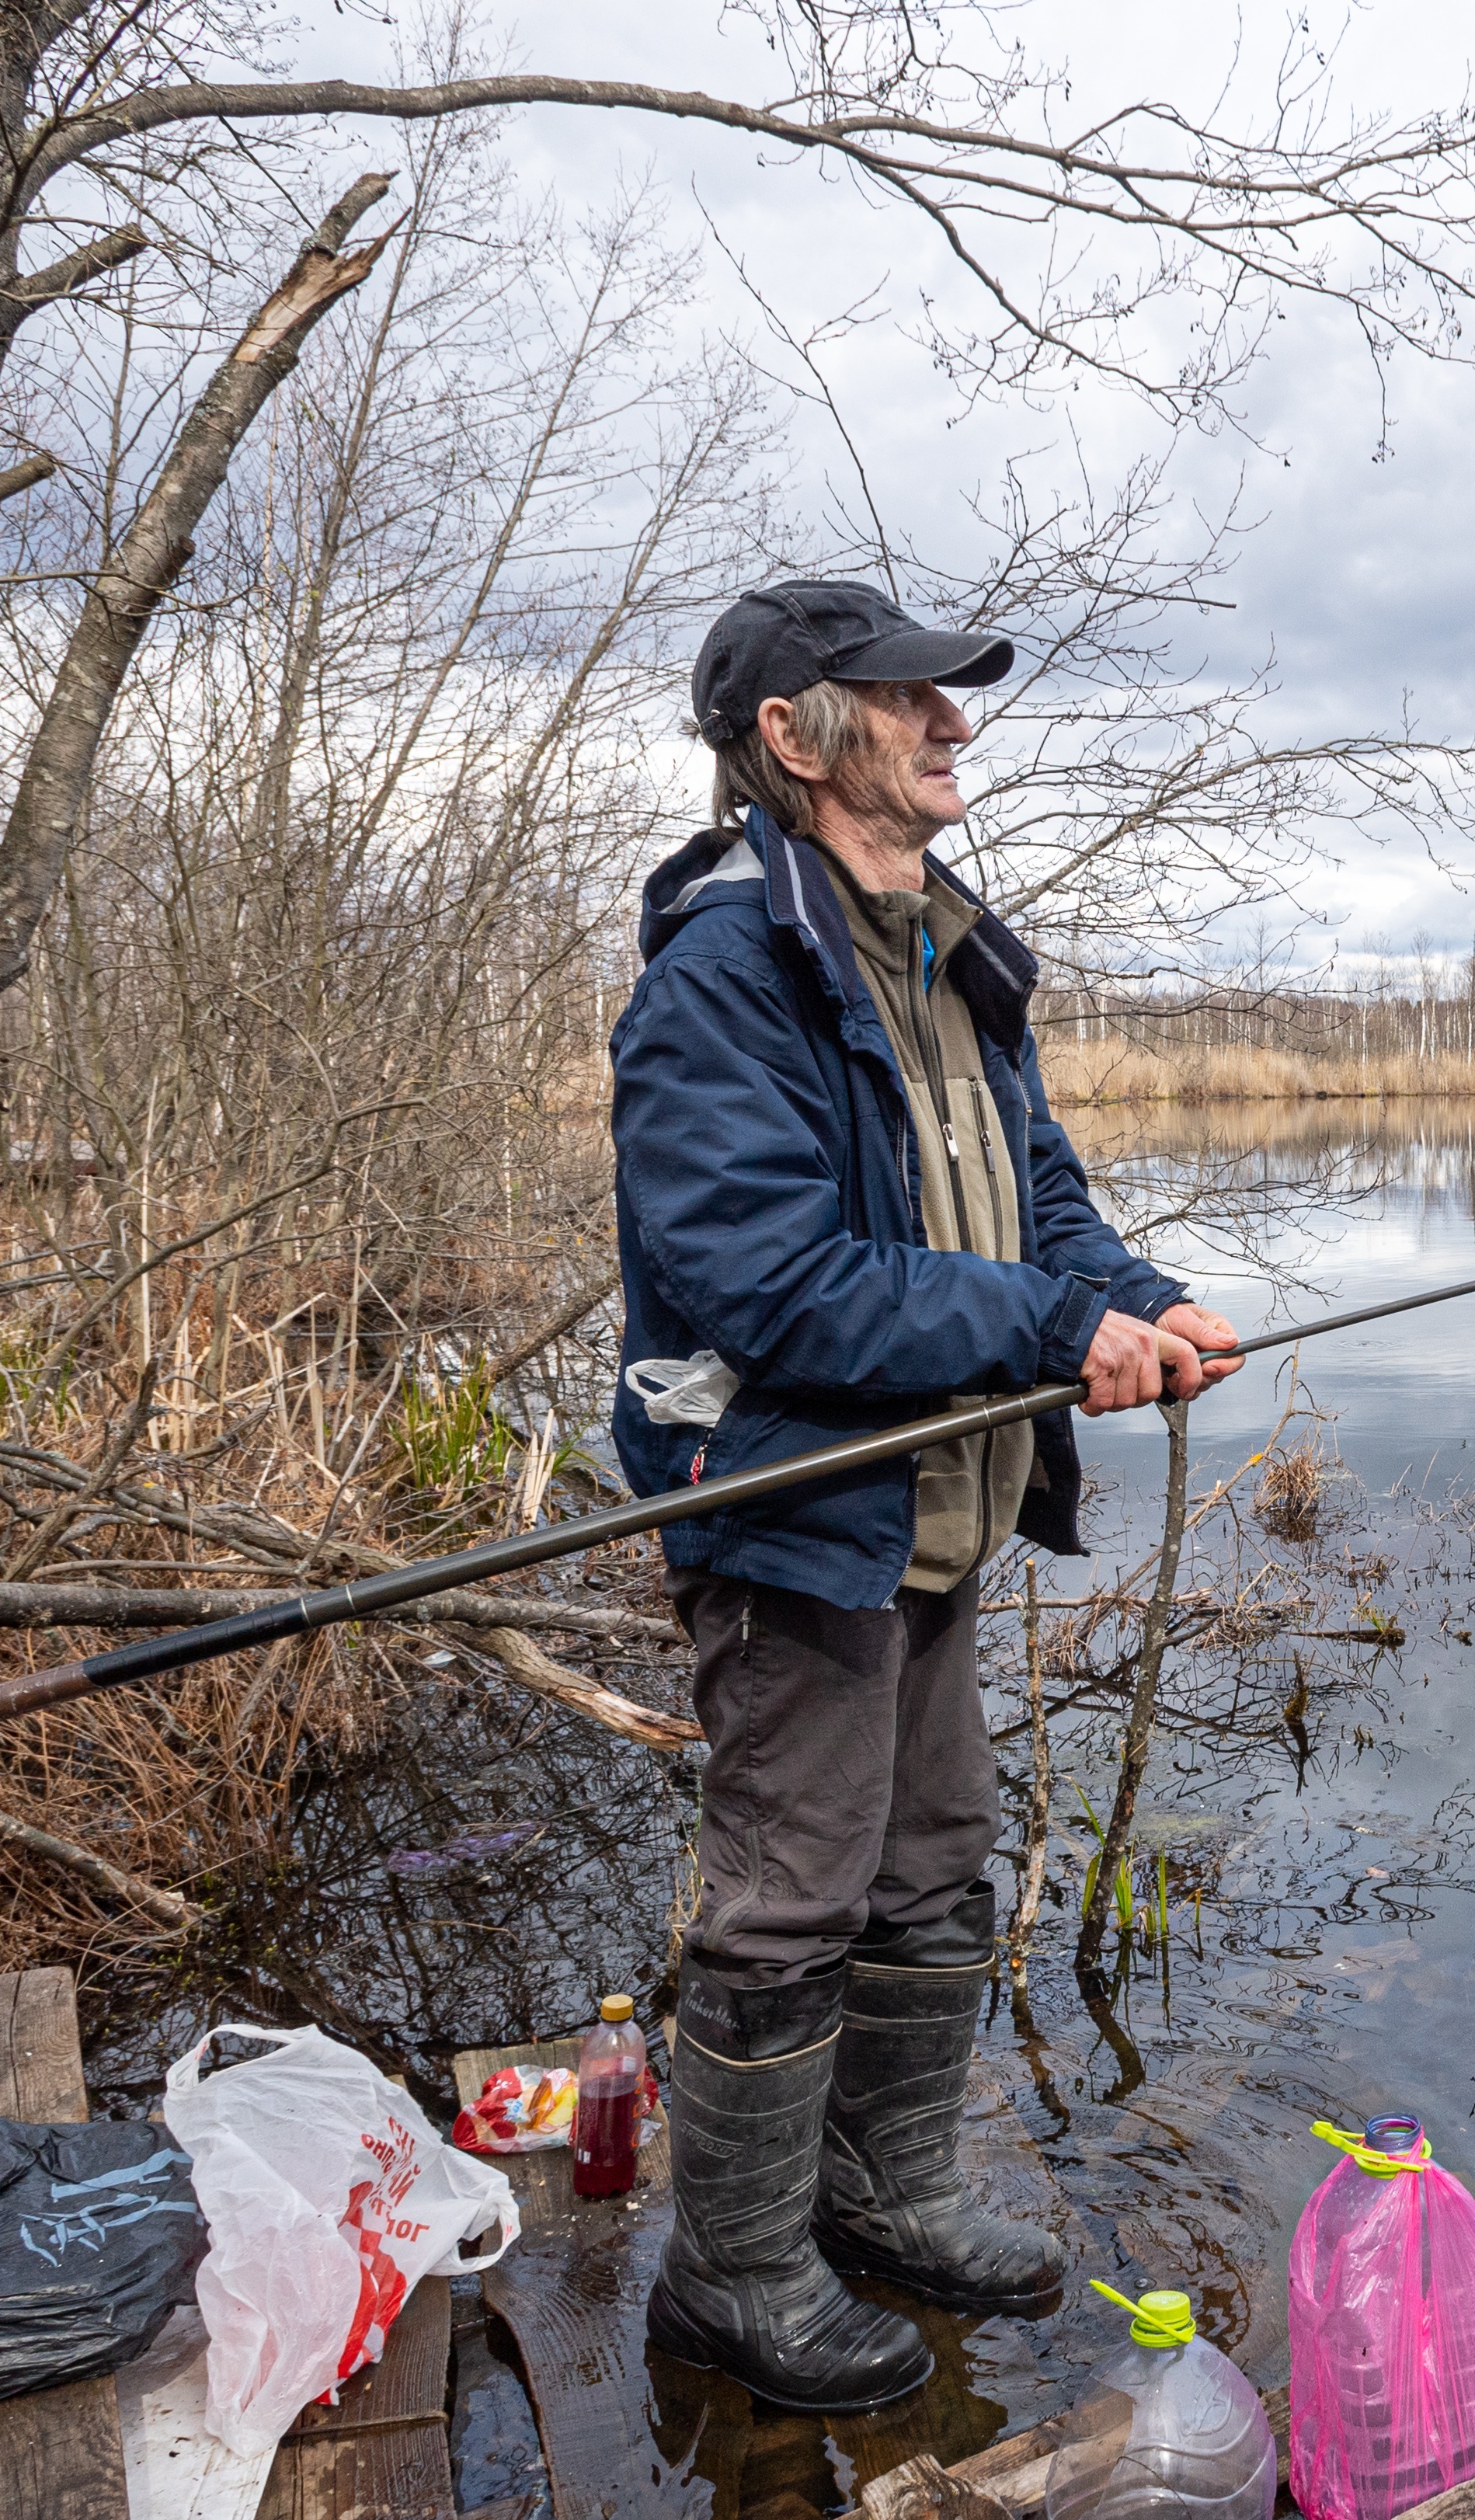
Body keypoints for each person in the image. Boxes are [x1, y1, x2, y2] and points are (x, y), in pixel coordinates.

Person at [609, 578, 1240, 2411]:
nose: (954, 719)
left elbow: (1040, 1193)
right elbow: (774, 1283)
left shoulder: (954, 947)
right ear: (793, 737)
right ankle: (733, 2272)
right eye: (907, 695)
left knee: (933, 1861)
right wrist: (1052, 1317)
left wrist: (1126, 1291)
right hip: (797, 1512)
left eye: (952, 694)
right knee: (790, 1899)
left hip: (935, 1507)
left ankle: (886, 2190)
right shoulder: (726, 974)